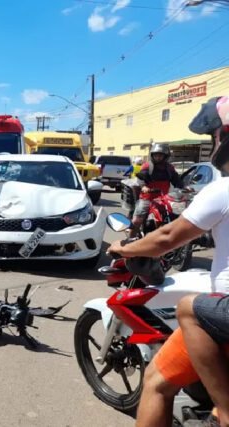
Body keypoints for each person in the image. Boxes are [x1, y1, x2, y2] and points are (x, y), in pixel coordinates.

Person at [107, 95, 229, 426]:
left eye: (214, 136)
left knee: (185, 314)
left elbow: (165, 238)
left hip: (168, 209)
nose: (213, 141)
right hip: (148, 199)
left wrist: (125, 248)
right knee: (141, 214)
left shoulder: (220, 189)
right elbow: (140, 186)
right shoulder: (147, 168)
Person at [130, 143, 185, 236]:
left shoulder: (170, 168)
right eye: (156, 155)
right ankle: (129, 242)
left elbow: (177, 181)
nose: (158, 157)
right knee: (136, 220)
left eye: (160, 155)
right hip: (147, 198)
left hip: (164, 199)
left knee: (177, 216)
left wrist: (184, 188)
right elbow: (141, 178)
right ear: (152, 155)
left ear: (165, 156)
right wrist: (144, 187)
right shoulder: (147, 166)